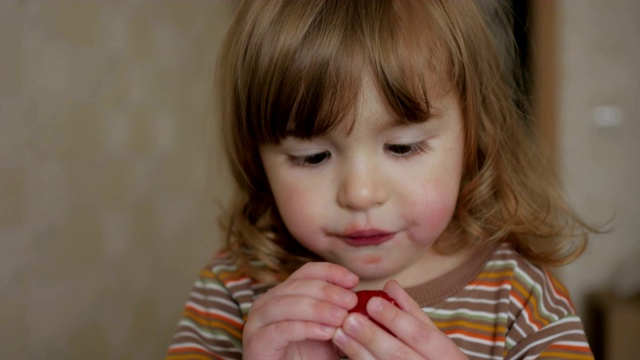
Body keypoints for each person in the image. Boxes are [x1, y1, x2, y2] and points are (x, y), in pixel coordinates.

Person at [166, 0, 596, 359]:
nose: (360, 194)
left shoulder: (523, 299)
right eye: (312, 156)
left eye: (403, 147)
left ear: (474, 139)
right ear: (256, 158)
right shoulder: (234, 288)